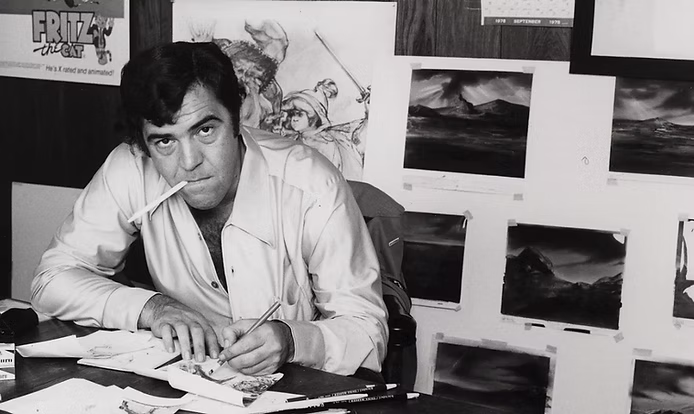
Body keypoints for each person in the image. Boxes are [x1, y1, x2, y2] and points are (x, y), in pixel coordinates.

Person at [31, 41, 388, 378]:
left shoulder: (311, 184)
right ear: (143, 144)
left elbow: (369, 333)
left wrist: (292, 340)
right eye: (165, 140)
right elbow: (51, 280)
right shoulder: (131, 167)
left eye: (204, 130)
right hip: (185, 386)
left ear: (236, 118)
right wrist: (153, 308)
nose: (189, 162)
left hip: (295, 387)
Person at [280, 79, 364, 181]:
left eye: (299, 114)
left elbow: (327, 175)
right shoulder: (294, 139)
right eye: (292, 114)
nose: (294, 119)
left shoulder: (325, 142)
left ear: (313, 117)